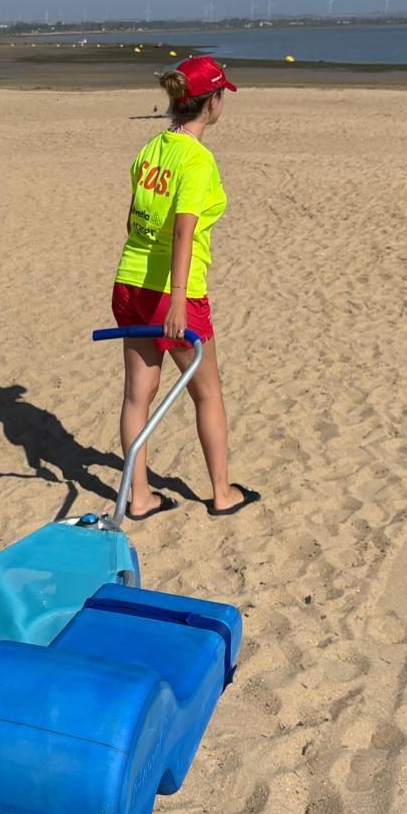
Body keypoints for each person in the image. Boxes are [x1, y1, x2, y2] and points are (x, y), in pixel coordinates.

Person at [111, 55, 260, 520]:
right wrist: (177, 299)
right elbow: (183, 231)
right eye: (221, 95)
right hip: (172, 294)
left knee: (139, 393)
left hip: (129, 282)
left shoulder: (152, 148)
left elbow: (135, 217)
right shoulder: (197, 160)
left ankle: (140, 496)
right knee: (207, 392)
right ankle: (222, 492)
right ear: (212, 102)